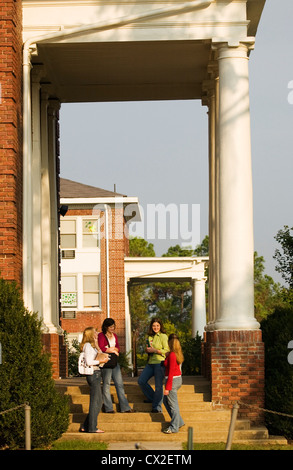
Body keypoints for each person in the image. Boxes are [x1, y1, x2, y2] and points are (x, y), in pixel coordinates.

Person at [98, 318, 134, 413]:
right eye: (110, 327)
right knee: (106, 384)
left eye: (113, 326)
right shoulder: (101, 336)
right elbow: (102, 348)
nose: (112, 328)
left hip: (114, 362)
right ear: (106, 327)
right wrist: (113, 350)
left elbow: (118, 347)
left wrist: (113, 349)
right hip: (106, 362)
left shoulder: (115, 336)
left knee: (119, 384)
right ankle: (108, 407)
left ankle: (125, 407)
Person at [79, 326, 110, 433]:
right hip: (93, 375)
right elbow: (89, 361)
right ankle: (92, 428)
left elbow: (99, 354)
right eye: (95, 332)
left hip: (96, 374)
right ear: (90, 335)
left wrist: (97, 345)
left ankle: (85, 425)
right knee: (95, 402)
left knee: (98, 401)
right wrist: (100, 362)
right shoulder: (87, 346)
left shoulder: (92, 346)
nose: (97, 333)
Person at [138, 318, 169, 413]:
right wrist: (147, 350)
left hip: (159, 363)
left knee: (158, 386)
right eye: (154, 326)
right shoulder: (149, 337)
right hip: (150, 363)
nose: (155, 327)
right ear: (151, 327)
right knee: (141, 381)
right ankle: (153, 398)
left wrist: (156, 350)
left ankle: (157, 407)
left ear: (160, 326)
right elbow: (148, 349)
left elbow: (167, 351)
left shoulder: (163, 336)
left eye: (157, 326)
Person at [163, 333, 185, 434]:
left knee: (173, 405)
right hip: (177, 379)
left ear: (169, 343)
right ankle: (179, 422)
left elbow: (171, 371)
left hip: (172, 380)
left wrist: (167, 387)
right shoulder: (176, 353)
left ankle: (174, 427)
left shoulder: (172, 355)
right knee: (165, 400)